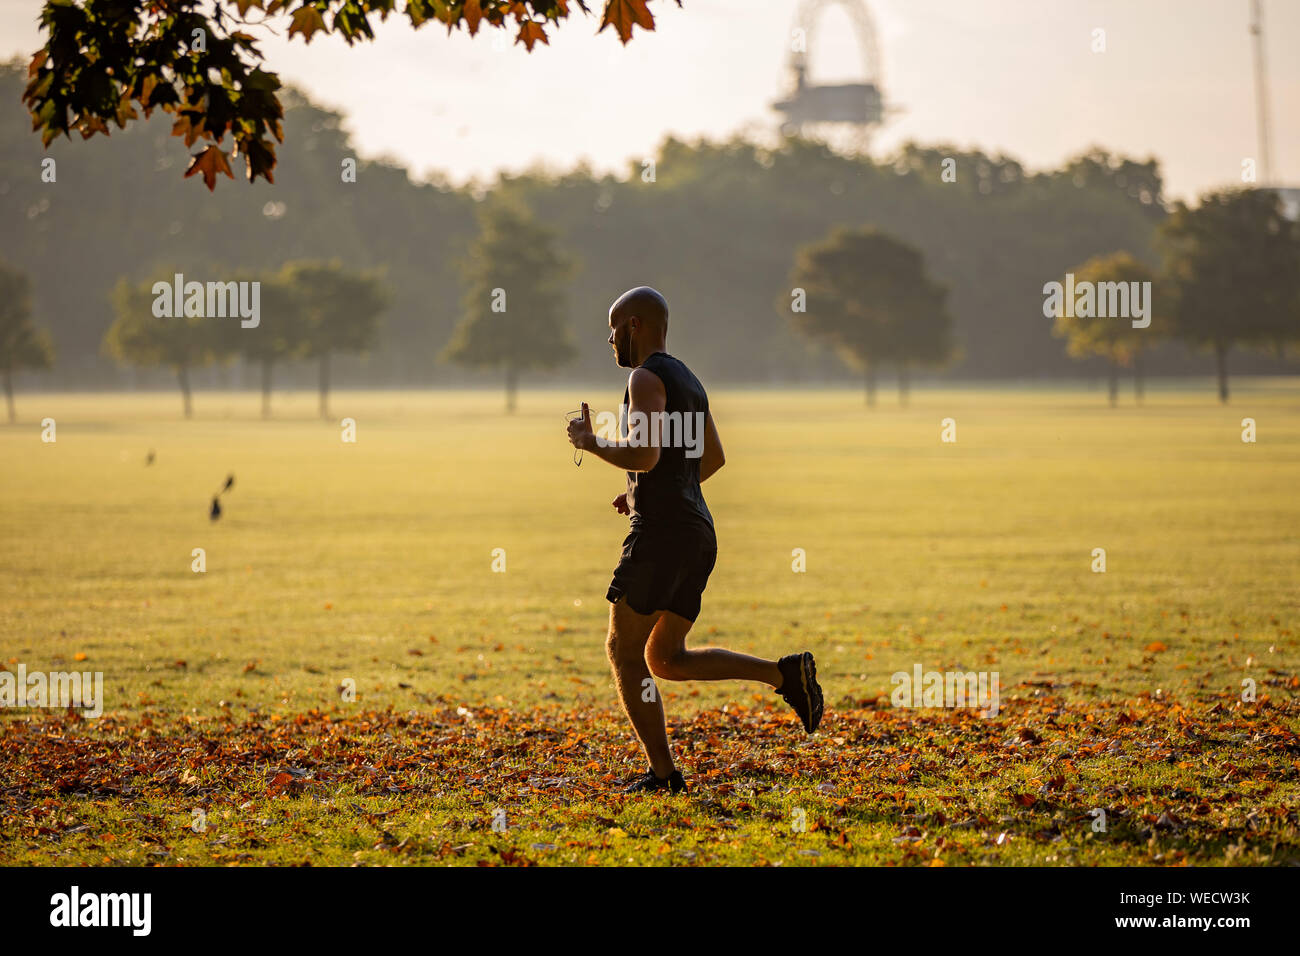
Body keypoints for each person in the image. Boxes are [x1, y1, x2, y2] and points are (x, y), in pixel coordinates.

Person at [566, 286, 824, 794]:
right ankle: (785, 675)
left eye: (615, 327)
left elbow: (643, 455)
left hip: (662, 535)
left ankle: (663, 777)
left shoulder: (645, 378)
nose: (610, 338)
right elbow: (711, 460)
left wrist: (591, 442)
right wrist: (645, 491)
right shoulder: (690, 379)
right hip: (696, 531)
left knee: (623, 651)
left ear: (636, 326)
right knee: (666, 659)